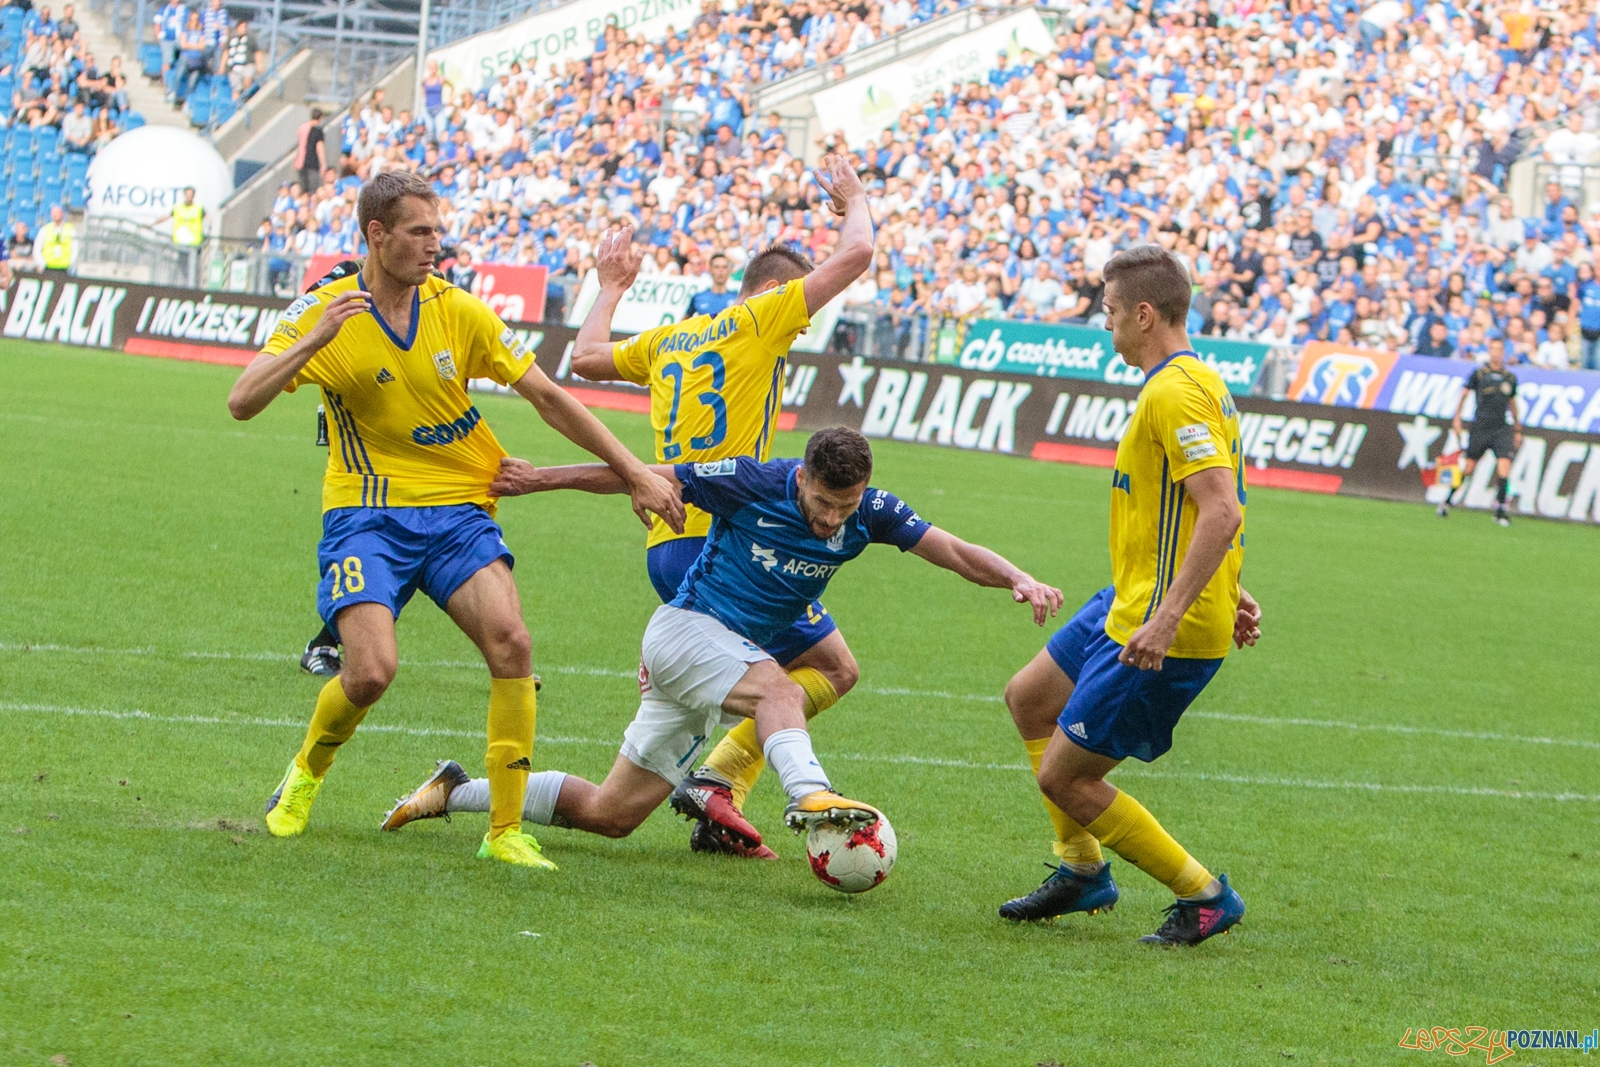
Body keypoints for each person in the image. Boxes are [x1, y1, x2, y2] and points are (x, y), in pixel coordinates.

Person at [224, 171, 684, 868]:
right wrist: (313, 339)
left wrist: (636, 471)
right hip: (366, 514)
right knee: (372, 671)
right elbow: (242, 400)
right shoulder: (327, 312)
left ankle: (504, 830)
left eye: (438, 231)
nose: (436, 245)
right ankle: (304, 777)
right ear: (377, 236)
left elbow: (549, 396)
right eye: (419, 232)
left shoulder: (457, 310)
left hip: (457, 511)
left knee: (513, 644)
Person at [380, 427, 1064, 865]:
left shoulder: (871, 513)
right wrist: (542, 477)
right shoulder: (754, 481)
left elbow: (951, 550)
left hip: (713, 660)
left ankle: (456, 791)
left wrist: (1017, 576)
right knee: (780, 688)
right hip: (685, 633)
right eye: (823, 503)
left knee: (611, 815)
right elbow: (643, 474)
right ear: (802, 477)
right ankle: (810, 795)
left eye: (844, 508)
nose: (831, 520)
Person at [475, 155, 878, 858]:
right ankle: (723, 781)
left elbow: (588, 357)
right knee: (830, 671)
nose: (805, 315)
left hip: (666, 543)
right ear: (777, 292)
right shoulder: (762, 318)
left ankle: (705, 789)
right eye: (799, 300)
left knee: (624, 796)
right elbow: (859, 253)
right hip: (728, 542)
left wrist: (609, 288)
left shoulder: (674, 339)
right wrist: (853, 198)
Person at [997, 244, 1259, 947]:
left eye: (1110, 313)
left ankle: (1205, 894)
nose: (1104, 325)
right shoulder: (1191, 381)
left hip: (1154, 622)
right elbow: (1199, 508)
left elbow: (1222, 509)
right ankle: (1083, 872)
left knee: (1068, 778)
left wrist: (1175, 613)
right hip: (1130, 596)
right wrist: (1229, 586)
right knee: (1030, 696)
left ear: (1145, 314)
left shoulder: (1175, 392)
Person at [1440, 337, 1521, 525]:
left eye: (1500, 349)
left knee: (1504, 467)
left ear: (1503, 353)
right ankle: (1448, 500)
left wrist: (1517, 427)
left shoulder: (1510, 378)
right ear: (1489, 351)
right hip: (1481, 426)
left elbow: (1512, 402)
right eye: (1493, 349)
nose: (1497, 353)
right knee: (1468, 468)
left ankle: (1500, 510)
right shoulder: (1479, 374)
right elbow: (1464, 394)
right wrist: (1457, 418)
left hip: (1501, 427)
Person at [685, 251, 737, 318]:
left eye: (724, 267)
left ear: (729, 270)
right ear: (710, 270)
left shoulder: (737, 298)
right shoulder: (699, 298)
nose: (720, 270)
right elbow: (683, 323)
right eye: (717, 267)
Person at [295, 108, 327, 196]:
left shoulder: (303, 127)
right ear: (320, 118)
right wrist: (323, 164)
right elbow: (319, 148)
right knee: (313, 190)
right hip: (312, 163)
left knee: (303, 190)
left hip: (300, 162)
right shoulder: (318, 131)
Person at [35, 205, 72, 271]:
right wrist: (42, 264)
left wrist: (70, 264)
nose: (54, 215)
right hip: (48, 267)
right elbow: (37, 248)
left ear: (62, 214)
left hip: (64, 268)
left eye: (57, 213)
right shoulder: (45, 229)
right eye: (53, 214)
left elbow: (75, 248)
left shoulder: (70, 230)